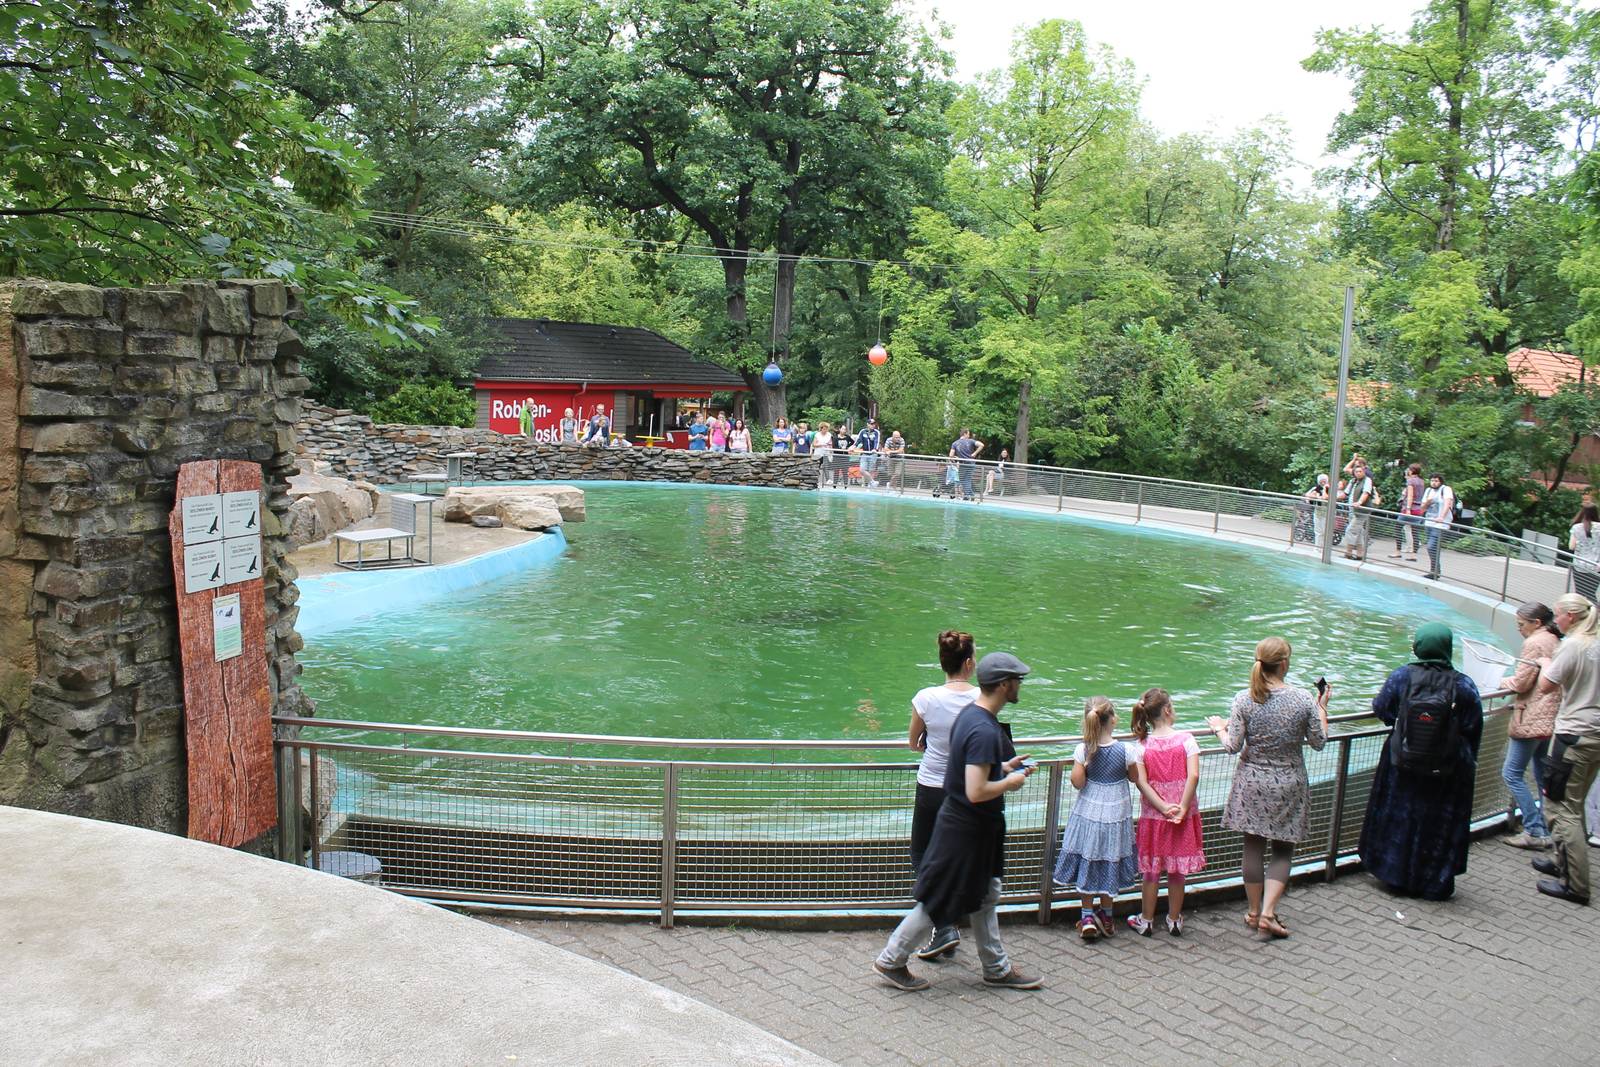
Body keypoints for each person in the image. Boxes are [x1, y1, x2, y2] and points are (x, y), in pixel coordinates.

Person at [873, 653, 1042, 991]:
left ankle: (996, 967)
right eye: (1017, 681)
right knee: (939, 898)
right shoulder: (984, 729)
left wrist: (1003, 767)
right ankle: (891, 960)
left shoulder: (972, 716)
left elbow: (971, 769)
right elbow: (976, 790)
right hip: (967, 831)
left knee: (986, 894)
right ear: (1004, 684)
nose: (1019, 686)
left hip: (971, 829)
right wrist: (1009, 782)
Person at [1206, 636, 1329, 939]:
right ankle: (1268, 913)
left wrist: (1219, 729)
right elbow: (1318, 742)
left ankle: (1252, 911)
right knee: (1283, 849)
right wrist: (1322, 709)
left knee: (1252, 846)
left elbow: (1232, 746)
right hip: (1289, 781)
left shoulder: (1244, 698)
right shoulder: (1303, 699)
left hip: (1252, 781)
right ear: (1284, 663)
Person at [1357, 623, 1485, 900]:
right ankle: (1434, 882)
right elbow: (1473, 725)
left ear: (1419, 646)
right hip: (1448, 769)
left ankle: (1393, 875)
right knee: (1438, 824)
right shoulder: (1463, 684)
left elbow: (1382, 708)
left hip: (1402, 762)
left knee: (1399, 816)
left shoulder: (1402, 676)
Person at [905, 630, 978, 961]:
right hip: (967, 788)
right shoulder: (982, 698)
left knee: (922, 855)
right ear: (969, 663)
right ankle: (945, 923)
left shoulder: (926, 698)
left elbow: (913, 742)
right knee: (956, 855)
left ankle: (944, 925)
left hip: (932, 786)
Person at [1531, 593, 1600, 905]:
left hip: (1574, 734)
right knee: (1575, 801)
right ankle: (1562, 861)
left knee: (1561, 806)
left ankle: (1576, 886)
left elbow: (1547, 685)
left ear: (1570, 616)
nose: (1554, 620)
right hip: (1595, 735)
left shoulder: (1575, 645)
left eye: (1557, 615)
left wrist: (1546, 662)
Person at [1053, 696, 1139, 941]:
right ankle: (1107, 916)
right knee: (1110, 858)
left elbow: (1077, 783)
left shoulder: (1083, 749)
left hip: (1088, 814)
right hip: (1115, 815)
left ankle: (1087, 916)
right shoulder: (1126, 750)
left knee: (1089, 859)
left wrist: (1087, 762)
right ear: (1113, 719)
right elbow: (1134, 777)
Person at [1127, 687, 1204, 936]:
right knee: (1177, 869)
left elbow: (1141, 782)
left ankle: (1147, 920)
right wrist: (1182, 807)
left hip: (1153, 816)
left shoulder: (1141, 745)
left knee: (1151, 870)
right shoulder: (1187, 739)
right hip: (1183, 815)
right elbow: (1193, 775)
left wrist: (1161, 807)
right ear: (1168, 710)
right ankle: (1174, 919)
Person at [1500, 602, 1562, 850]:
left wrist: (1502, 681)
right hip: (1548, 717)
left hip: (1532, 716)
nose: (1519, 629)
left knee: (1511, 773)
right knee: (1540, 772)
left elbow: (1521, 683)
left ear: (1536, 623)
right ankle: (1547, 826)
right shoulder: (1554, 639)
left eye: (1521, 624)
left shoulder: (1535, 643)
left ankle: (1535, 830)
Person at [1421, 473, 1455, 580]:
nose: (1434, 483)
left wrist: (1441, 517)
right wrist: (1428, 501)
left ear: (1440, 482)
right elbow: (1422, 508)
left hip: (1441, 524)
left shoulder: (1446, 489)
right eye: (1432, 481)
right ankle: (1434, 571)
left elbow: (1447, 504)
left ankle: (1435, 571)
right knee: (1433, 548)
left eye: (1436, 481)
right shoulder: (1428, 491)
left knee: (1431, 546)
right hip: (1429, 522)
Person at [1389, 462, 1425, 561]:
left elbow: (1410, 495)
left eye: (1409, 469)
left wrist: (1408, 508)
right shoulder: (1421, 481)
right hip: (1418, 509)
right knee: (1415, 532)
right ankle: (1413, 555)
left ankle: (1398, 551)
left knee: (1398, 527)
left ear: (1412, 471)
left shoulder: (1410, 481)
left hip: (1409, 509)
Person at [1340, 457, 1374, 561]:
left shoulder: (1367, 480)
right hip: (1352, 510)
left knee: (1350, 530)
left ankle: (1348, 552)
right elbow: (1345, 494)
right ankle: (1360, 554)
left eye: (1360, 471)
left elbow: (1366, 493)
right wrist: (1331, 498)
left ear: (1364, 471)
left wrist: (1359, 502)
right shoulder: (1353, 481)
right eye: (1356, 472)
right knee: (1358, 532)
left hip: (1361, 511)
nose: (1358, 473)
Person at [1569, 505, 1600, 601]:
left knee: (1580, 593)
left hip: (1579, 565)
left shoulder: (1576, 527)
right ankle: (1594, 609)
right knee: (1591, 593)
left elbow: (1571, 546)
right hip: (1596, 566)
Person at [949, 429, 984, 502]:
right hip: (971, 463)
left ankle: (968, 496)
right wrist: (975, 453)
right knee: (966, 480)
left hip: (963, 464)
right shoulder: (971, 441)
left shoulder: (955, 443)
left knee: (963, 480)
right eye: (968, 434)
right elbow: (981, 445)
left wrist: (955, 459)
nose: (969, 436)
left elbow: (951, 455)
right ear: (964, 434)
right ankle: (969, 495)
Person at [856, 419, 882, 487]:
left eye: (874, 424)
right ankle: (872, 482)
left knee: (871, 470)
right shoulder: (863, 431)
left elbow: (877, 441)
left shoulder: (876, 432)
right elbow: (858, 440)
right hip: (864, 453)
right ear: (868, 424)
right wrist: (853, 446)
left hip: (873, 454)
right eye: (871, 424)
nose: (873, 425)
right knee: (862, 470)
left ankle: (870, 486)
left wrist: (875, 449)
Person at [813, 422, 835, 487]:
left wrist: (831, 451)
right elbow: (814, 444)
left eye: (826, 429)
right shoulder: (817, 435)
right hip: (818, 454)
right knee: (816, 467)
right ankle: (815, 480)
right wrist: (821, 444)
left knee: (826, 467)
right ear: (821, 429)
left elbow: (831, 444)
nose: (825, 430)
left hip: (826, 454)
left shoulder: (829, 435)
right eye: (824, 429)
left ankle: (828, 480)